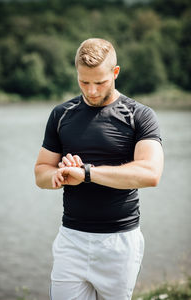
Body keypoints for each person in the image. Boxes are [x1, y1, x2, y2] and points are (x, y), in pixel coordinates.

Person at [34, 38, 164, 300]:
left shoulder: (140, 115)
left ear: (115, 73)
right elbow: (41, 172)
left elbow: (150, 173)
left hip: (119, 241)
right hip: (71, 238)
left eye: (100, 82)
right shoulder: (61, 114)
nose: (92, 91)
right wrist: (58, 176)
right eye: (84, 82)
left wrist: (87, 173)